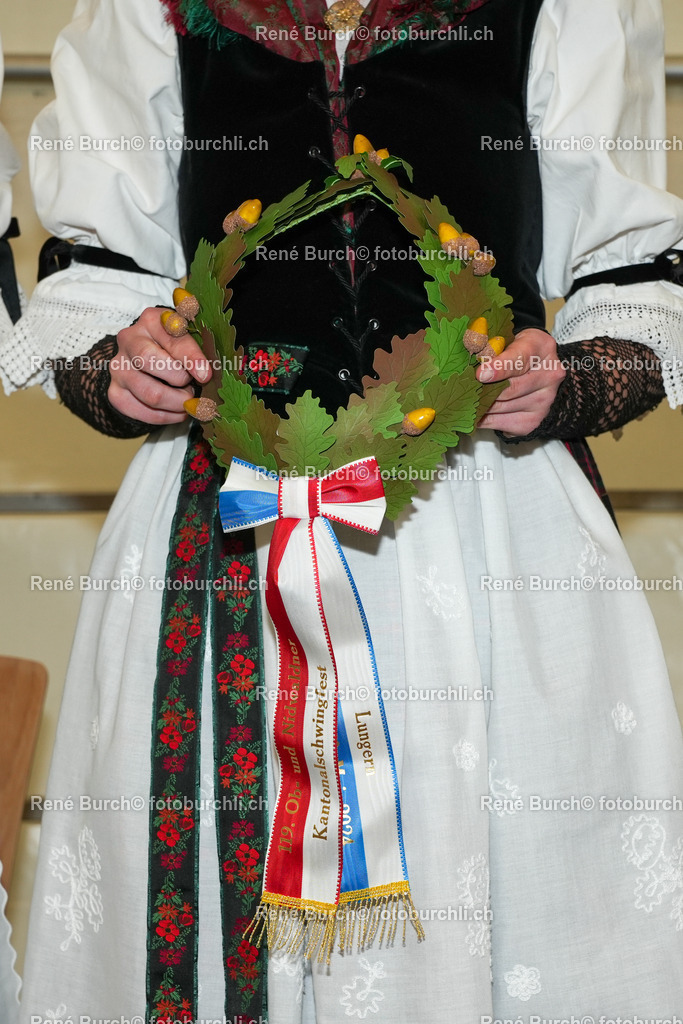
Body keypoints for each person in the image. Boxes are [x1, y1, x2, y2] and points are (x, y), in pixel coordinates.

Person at [2, 0, 682, 1020]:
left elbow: (622, 265)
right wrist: (123, 361)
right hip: (224, 524)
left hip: (478, 521)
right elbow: (104, 278)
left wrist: (570, 375)